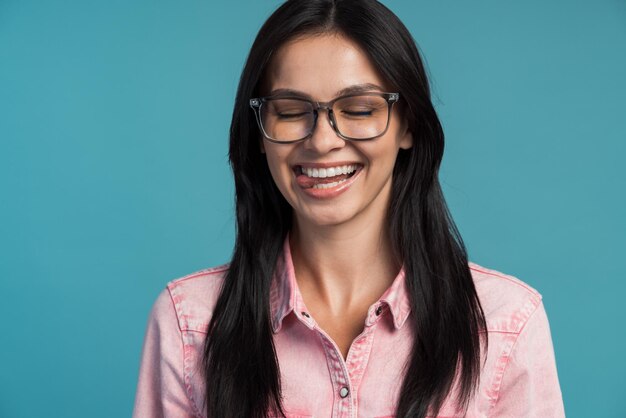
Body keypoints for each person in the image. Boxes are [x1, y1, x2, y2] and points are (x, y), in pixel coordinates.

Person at [133, 1, 565, 417]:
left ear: (408, 125)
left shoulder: (505, 324)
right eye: (289, 111)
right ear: (259, 133)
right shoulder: (189, 324)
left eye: (358, 109)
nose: (322, 141)